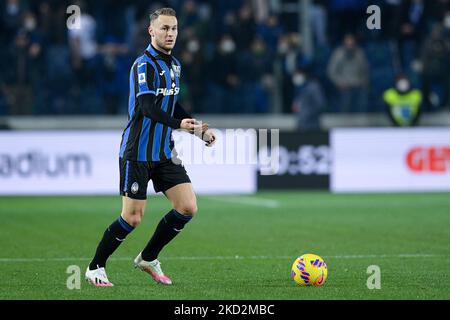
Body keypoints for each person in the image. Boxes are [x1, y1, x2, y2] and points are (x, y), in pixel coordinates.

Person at [85, 7, 216, 287]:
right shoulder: (143, 65)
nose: (170, 34)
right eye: (164, 28)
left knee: (187, 207)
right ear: (151, 31)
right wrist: (180, 126)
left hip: (164, 153)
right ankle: (95, 267)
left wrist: (199, 130)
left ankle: (148, 257)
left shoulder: (175, 65)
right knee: (132, 218)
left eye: (174, 29)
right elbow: (147, 107)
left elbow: (172, 104)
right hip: (138, 152)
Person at [327, 34, 369, 113]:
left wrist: (364, 82)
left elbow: (365, 70)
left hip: (358, 85)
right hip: (344, 86)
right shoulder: (338, 54)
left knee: (362, 101)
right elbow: (331, 72)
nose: (350, 46)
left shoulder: (360, 53)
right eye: (348, 44)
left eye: (352, 44)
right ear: (344, 44)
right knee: (345, 105)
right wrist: (339, 83)